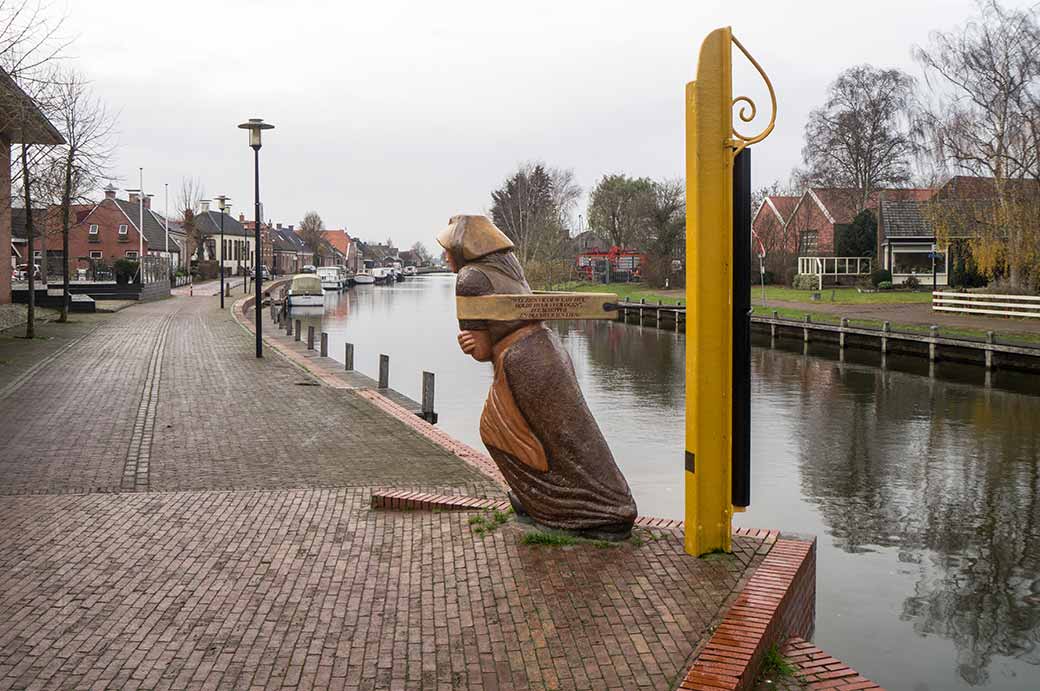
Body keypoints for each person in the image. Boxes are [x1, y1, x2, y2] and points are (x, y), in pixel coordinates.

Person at [437, 215, 637, 540]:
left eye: (447, 249)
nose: (445, 256)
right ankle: (590, 503)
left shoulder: (470, 278)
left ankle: (575, 511)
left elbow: (482, 348)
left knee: (501, 433)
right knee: (570, 436)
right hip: (546, 349)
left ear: (463, 250)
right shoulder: (507, 268)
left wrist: (470, 343)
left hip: (519, 360)